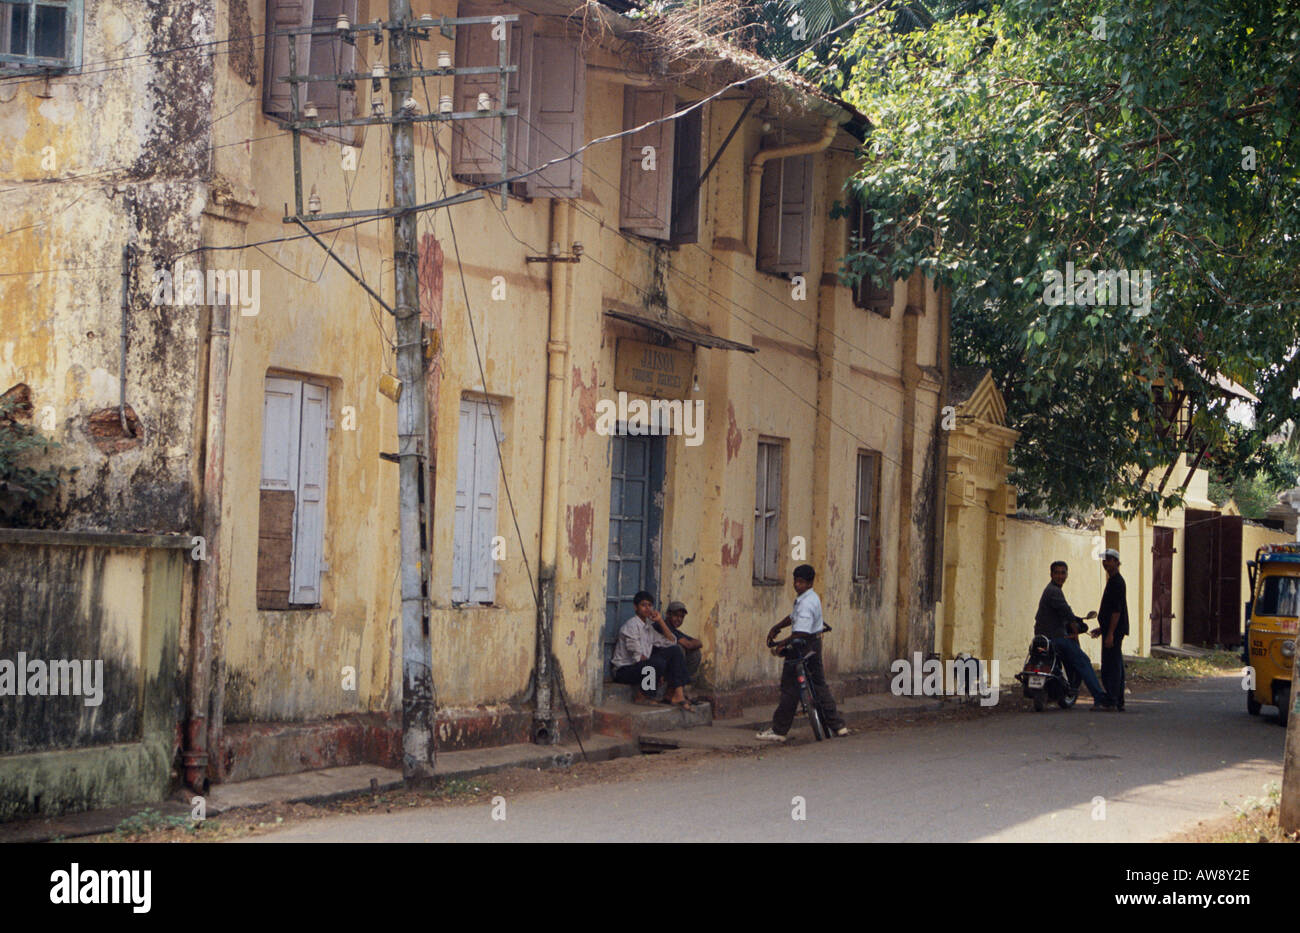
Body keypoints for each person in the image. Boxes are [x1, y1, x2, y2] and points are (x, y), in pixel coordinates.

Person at [756, 564, 849, 741]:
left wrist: (782, 644)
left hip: (802, 646)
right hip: (814, 644)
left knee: (790, 689)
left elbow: (801, 632)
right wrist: (778, 626)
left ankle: (779, 730)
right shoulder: (810, 598)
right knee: (820, 685)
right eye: (796, 581)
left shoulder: (806, 603)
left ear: (810, 583)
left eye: (801, 582)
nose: (797, 585)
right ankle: (838, 725)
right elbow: (793, 617)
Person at [1034, 560, 1114, 710]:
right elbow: (1067, 612)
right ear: (1051, 574)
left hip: (1043, 637)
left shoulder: (1051, 590)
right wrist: (1075, 631)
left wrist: (1073, 620)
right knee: (1083, 661)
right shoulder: (1054, 591)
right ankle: (1099, 697)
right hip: (1055, 638)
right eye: (1056, 573)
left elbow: (1061, 613)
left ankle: (1058, 690)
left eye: (1062, 573)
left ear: (1066, 575)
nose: (1060, 576)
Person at [610, 591, 692, 709]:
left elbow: (671, 641)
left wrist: (660, 621)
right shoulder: (631, 626)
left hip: (641, 667)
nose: (647, 608)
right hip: (623, 671)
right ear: (635, 607)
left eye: (649, 605)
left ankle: (678, 694)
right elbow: (639, 658)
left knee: (675, 650)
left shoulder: (648, 626)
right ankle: (642, 696)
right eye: (643, 605)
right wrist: (659, 672)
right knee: (658, 663)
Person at [1090, 549, 1129, 711]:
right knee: (1116, 664)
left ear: (1116, 561)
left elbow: (1116, 611)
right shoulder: (1112, 581)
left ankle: (1112, 699)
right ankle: (1117, 699)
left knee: (1110, 666)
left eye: (1109, 560)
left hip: (1115, 631)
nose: (1105, 563)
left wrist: (1110, 633)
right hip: (1111, 629)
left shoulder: (1117, 583)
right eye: (1104, 560)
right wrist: (1103, 628)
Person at [663, 600, 703, 691]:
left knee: (696, 653)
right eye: (676, 615)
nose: (679, 619)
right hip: (656, 665)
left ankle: (680, 685)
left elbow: (699, 643)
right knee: (679, 649)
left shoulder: (675, 630)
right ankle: (674, 687)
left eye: (682, 617)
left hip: (669, 667)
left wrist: (690, 644)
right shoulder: (664, 626)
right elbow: (687, 644)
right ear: (668, 614)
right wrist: (689, 644)